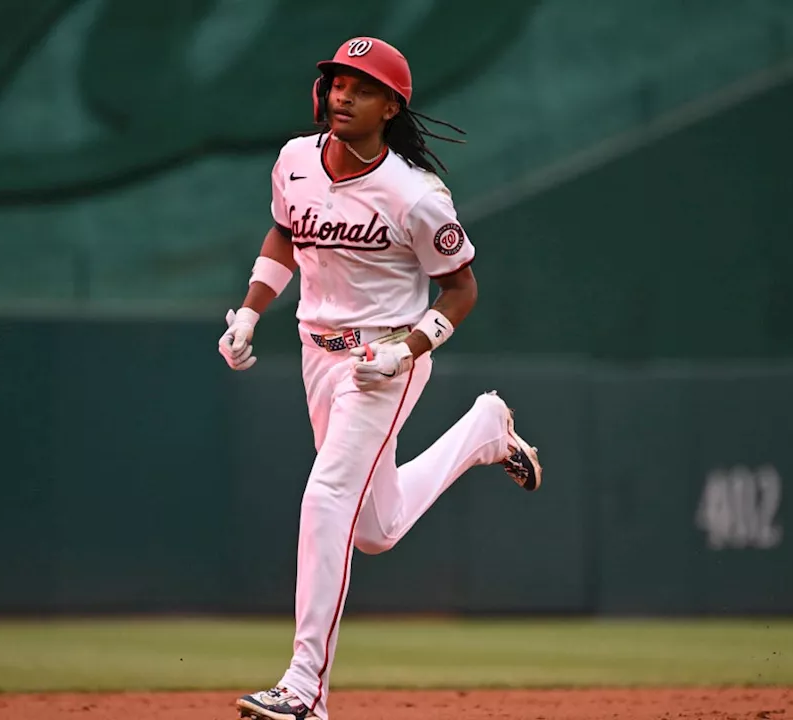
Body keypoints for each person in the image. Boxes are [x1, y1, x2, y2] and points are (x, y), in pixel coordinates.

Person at [220, 36, 543, 720]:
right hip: (317, 349)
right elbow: (285, 234)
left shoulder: (415, 195)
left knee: (329, 495)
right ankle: (485, 431)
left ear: (391, 106)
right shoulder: (294, 160)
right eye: (336, 81)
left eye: (360, 87)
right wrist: (250, 311)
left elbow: (461, 290)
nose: (341, 94)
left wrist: (413, 345)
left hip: (381, 360)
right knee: (374, 526)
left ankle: (305, 688)